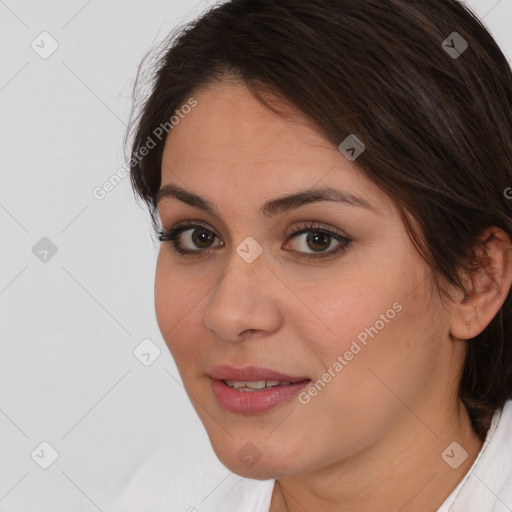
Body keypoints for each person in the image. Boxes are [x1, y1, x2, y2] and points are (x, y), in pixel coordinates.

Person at [125, 0, 512, 510]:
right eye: (197, 236)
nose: (227, 314)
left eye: (316, 240)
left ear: (475, 280)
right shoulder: (157, 496)